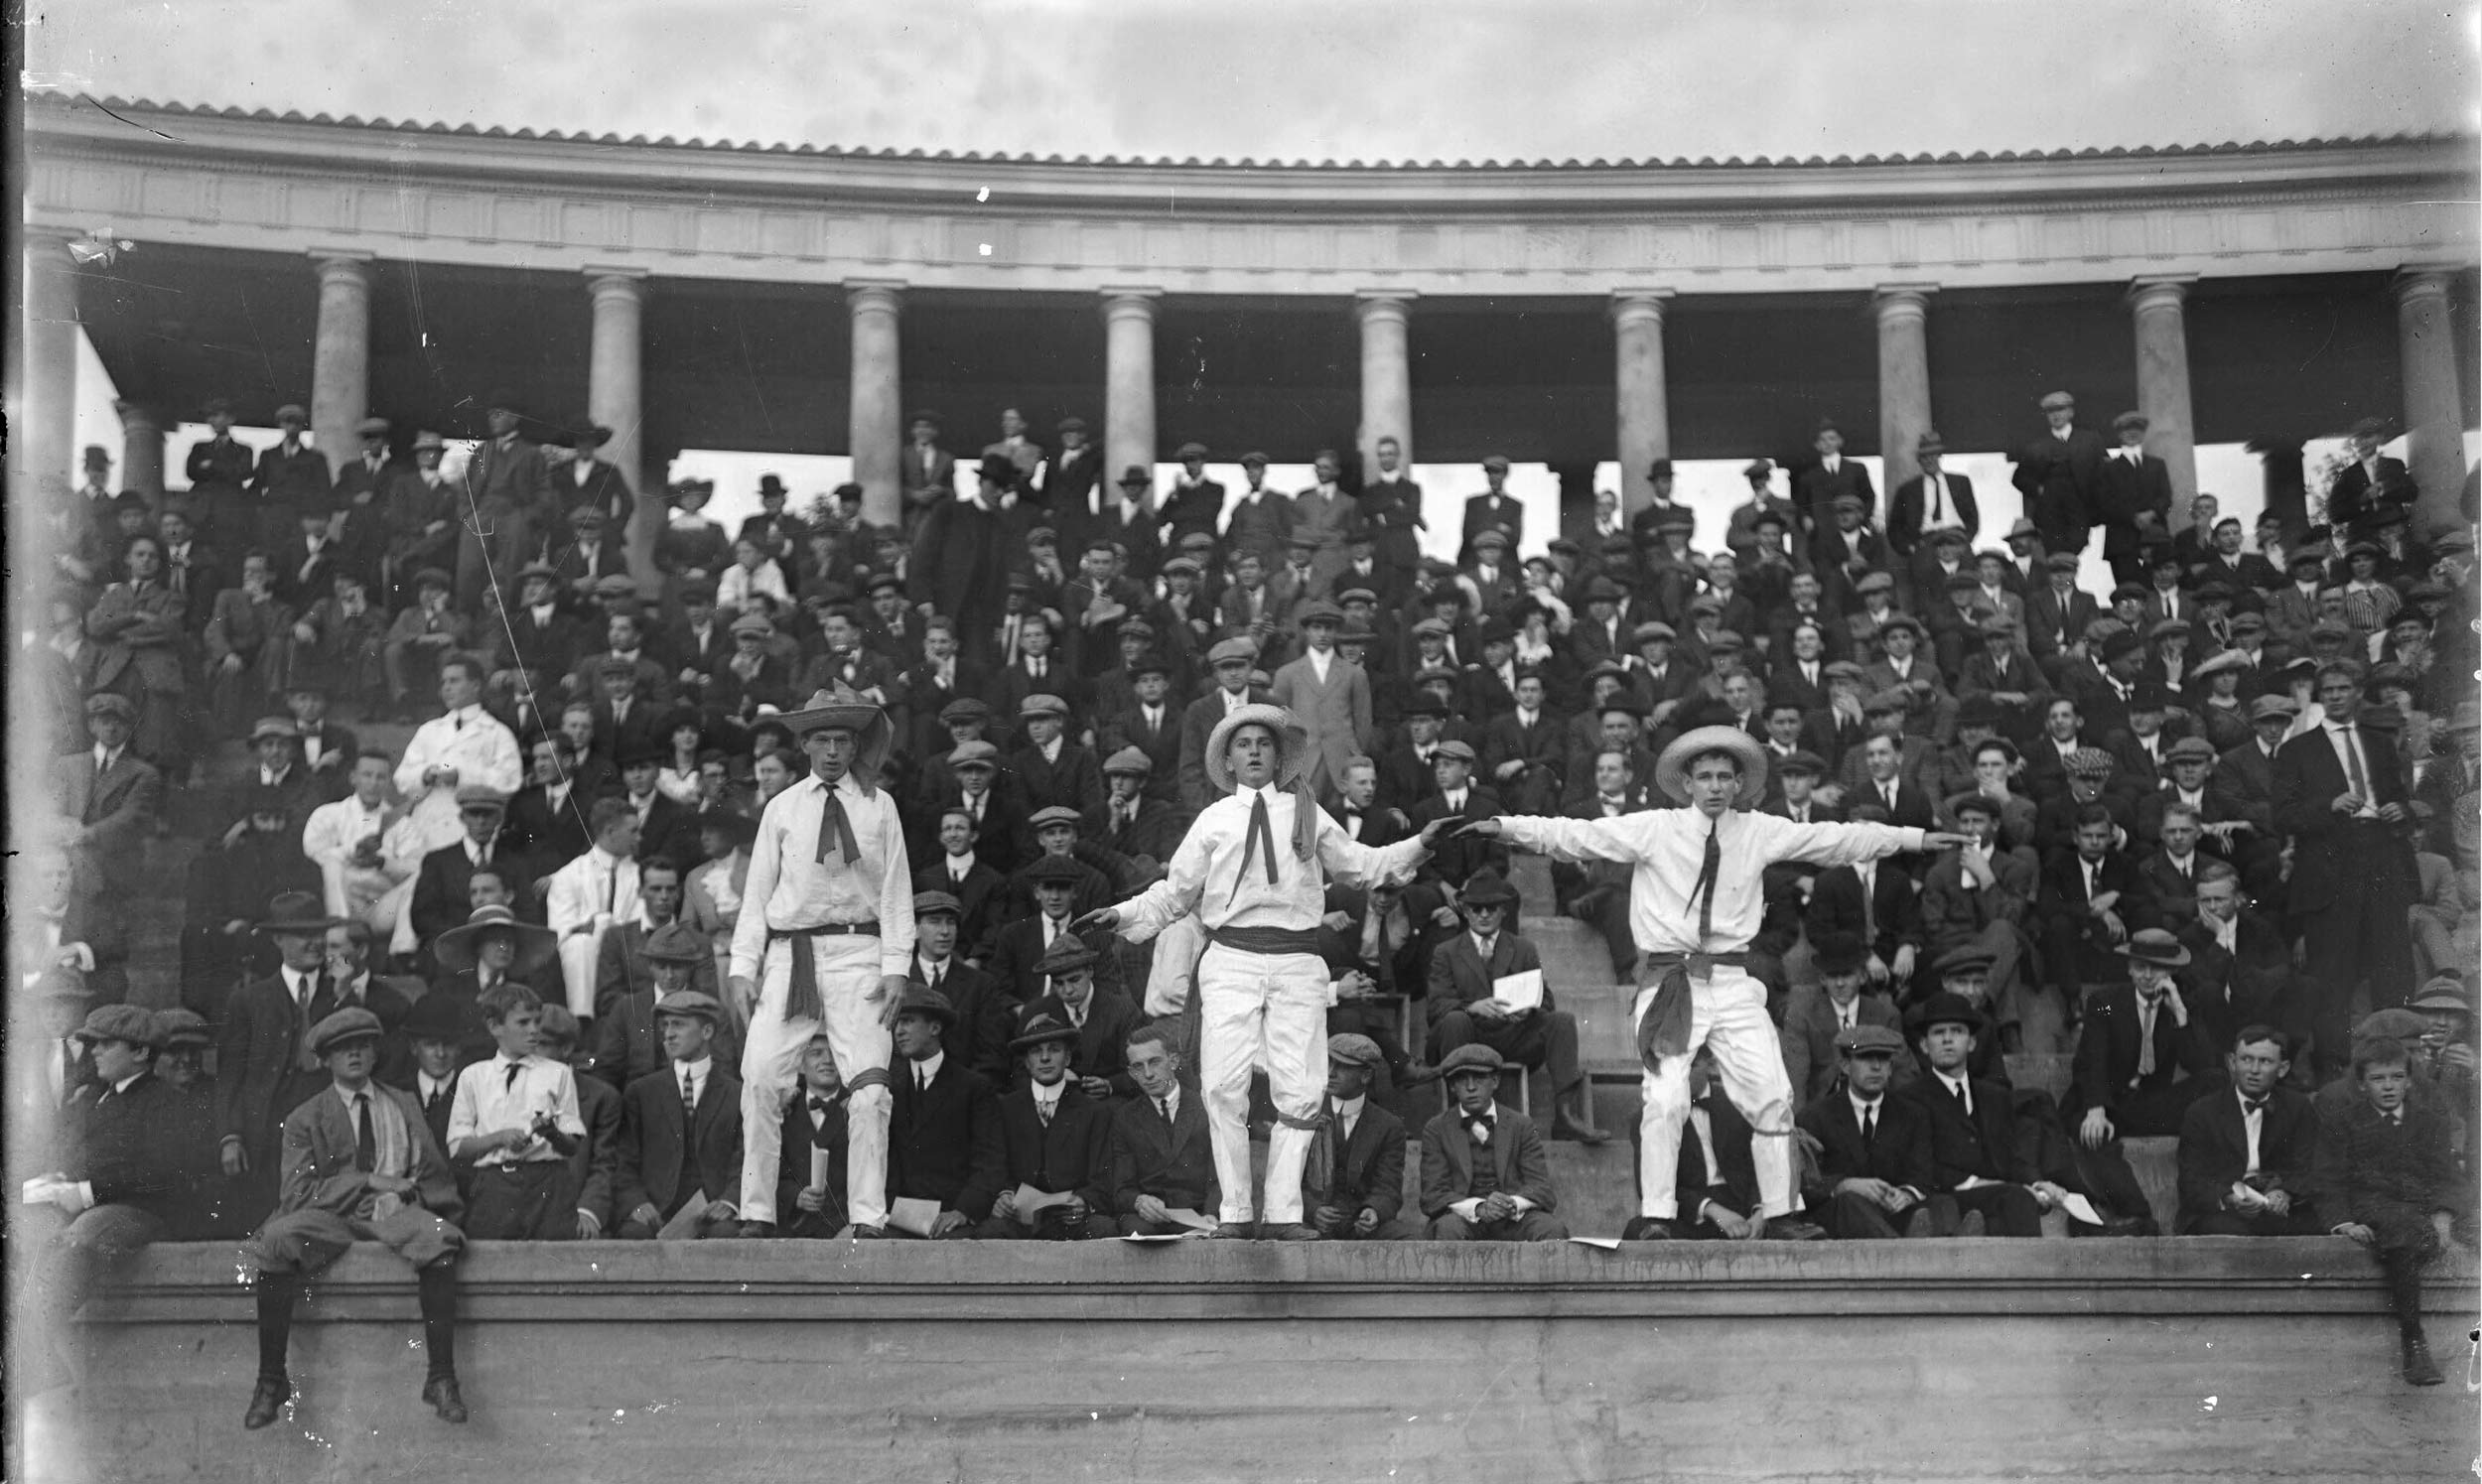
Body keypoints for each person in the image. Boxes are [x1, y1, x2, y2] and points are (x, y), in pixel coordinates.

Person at [1460, 726, 1961, 1238]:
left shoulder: (1760, 830)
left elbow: (1834, 839)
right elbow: (1576, 834)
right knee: (1668, 1097)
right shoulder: (1658, 828)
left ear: (1740, 783)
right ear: (1688, 783)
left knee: (1772, 1093)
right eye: (1705, 777)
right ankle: (1657, 1215)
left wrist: (1913, 839)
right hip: (1672, 981)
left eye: (1726, 776)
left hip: (1732, 980)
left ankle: (1783, 1212)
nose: (1716, 786)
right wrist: (1503, 826)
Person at [1077, 704, 1448, 1239]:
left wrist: (1421, 844)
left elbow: (1363, 867)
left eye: (1264, 743)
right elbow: (1175, 893)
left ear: (1279, 756)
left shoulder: (1308, 813)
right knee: (1223, 1087)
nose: (1254, 751)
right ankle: (1235, 1214)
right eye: (1243, 743)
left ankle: (1282, 1215)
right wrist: (1123, 914)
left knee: (1301, 1088)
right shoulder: (1215, 820)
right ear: (1227, 759)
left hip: (1298, 959)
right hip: (1231, 959)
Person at [728, 687, 915, 1238]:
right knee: (760, 1077)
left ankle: (867, 1217)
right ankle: (757, 1212)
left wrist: (898, 964)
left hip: (861, 955)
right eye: (822, 739)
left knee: (872, 1089)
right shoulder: (782, 808)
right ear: (805, 744)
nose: (833, 751)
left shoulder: (879, 805)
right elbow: (758, 891)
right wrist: (743, 965)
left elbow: (896, 890)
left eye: (843, 740)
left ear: (856, 744)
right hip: (793, 956)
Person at [239, 1009, 470, 1428]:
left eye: (363, 1045)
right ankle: (271, 1379)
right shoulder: (305, 1117)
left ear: (375, 1052)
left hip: (394, 1211)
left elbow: (432, 1170)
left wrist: (416, 1197)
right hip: (331, 1216)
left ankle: (441, 1377)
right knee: (277, 1240)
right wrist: (367, 1181)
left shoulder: (401, 1103)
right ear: (326, 1060)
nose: (355, 1054)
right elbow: (297, 1194)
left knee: (439, 1238)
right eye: (343, 1049)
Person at [23, 1005, 193, 1392]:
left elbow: (159, 1175)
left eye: (105, 1043)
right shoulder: (99, 1099)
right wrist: (59, 1179)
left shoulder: (164, 1101)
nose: (94, 1051)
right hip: (96, 1208)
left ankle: (35, 1355)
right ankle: (43, 1362)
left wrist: (86, 1191)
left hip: (143, 1213)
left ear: (140, 1052)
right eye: (92, 1043)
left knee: (83, 1236)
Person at [2274, 662, 2419, 1073]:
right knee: (2331, 975)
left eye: (2344, 688)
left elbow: (2402, 803)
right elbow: (2282, 816)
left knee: (2392, 967)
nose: (2336, 695)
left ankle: (2397, 1061)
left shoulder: (2379, 743)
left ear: (2358, 692)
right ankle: (2332, 1065)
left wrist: (2399, 811)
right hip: (2329, 864)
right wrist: (2329, 806)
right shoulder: (2297, 750)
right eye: (2328, 690)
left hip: (2381, 859)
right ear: (2320, 696)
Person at [2322, 1037, 2472, 1387]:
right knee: (2404, 1236)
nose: (2388, 1086)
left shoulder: (2428, 1120)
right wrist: (2343, 1222)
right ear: (2362, 1084)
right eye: (2377, 1079)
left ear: (2408, 1080)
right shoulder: (2345, 1122)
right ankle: (2413, 1339)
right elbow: (2328, 1177)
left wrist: (2444, 1215)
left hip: (2424, 1207)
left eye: (2395, 1077)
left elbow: (2449, 1176)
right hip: (2375, 1208)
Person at [1423, 868, 1605, 1141]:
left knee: (1561, 1022)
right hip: (1466, 1035)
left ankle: (1565, 1116)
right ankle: (1460, 1116)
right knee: (1454, 1020)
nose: (1483, 914)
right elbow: (1435, 1007)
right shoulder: (1446, 951)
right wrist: (1473, 1006)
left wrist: (1528, 1008)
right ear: (1465, 910)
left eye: (1491, 908)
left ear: (1503, 911)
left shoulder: (1523, 949)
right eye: (1476, 908)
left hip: (1510, 1035)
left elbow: (1547, 1001)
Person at [1900, 993, 2069, 1236]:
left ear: (1972, 1043)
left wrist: (2035, 1182)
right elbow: (1921, 1165)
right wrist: (1978, 1183)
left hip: (1997, 1195)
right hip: (1946, 1198)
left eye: (1957, 1031)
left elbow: (2011, 1155)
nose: (1948, 1039)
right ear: (1925, 1046)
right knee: (2015, 1198)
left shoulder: (1993, 1095)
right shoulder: (1909, 1098)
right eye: (1938, 1033)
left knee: (2014, 1206)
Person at [446, 983, 585, 1239]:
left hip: (548, 1185)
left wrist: (551, 1133)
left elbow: (572, 1145)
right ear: (494, 1027)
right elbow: (458, 1147)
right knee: (494, 1262)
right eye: (523, 1023)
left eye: (536, 1021)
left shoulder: (558, 1074)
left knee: (552, 1261)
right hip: (495, 1185)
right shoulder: (474, 1076)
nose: (534, 1030)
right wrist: (499, 1138)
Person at [974, 1002, 1117, 1239]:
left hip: (1071, 1218)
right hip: (1021, 1219)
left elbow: (1103, 1176)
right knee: (991, 1232)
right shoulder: (1006, 1108)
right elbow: (994, 1166)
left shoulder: (1094, 1111)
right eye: (1036, 1051)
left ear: (1068, 1058)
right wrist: (1003, 1196)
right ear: (1027, 1062)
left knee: (1103, 1229)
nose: (1045, 1058)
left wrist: (1085, 1202)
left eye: (1054, 1049)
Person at [614, 990, 745, 1239]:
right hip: (656, 1210)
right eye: (665, 1026)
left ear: (707, 1032)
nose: (669, 1034)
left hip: (713, 1211)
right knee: (633, 1235)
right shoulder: (642, 1092)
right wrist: (636, 1202)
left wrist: (729, 1201)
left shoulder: (736, 1094)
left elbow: (745, 1159)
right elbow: (623, 1160)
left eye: (679, 1025)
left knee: (725, 1236)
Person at [1796, 1023, 1944, 1239]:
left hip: (1893, 1211)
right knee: (1849, 1202)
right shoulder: (1815, 1116)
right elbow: (1806, 1185)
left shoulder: (1912, 1115)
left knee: (1942, 1202)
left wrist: (1908, 1193)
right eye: (1865, 1058)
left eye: (1883, 1059)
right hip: (1841, 1217)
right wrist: (1844, 1185)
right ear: (1845, 1066)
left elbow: (1923, 1173)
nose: (1876, 1067)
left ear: (1891, 1068)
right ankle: (1902, 1253)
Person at [2175, 1025, 2321, 1235]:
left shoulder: (2298, 1108)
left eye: (2265, 1061)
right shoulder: (2202, 1112)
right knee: (2228, 1231)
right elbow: (2192, 1180)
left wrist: (2284, 1193)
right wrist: (2229, 1198)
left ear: (2283, 1068)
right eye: (2246, 1059)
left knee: (2309, 1228)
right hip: (2221, 1213)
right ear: (2232, 1062)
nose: (2254, 1070)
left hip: (2277, 1209)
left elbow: (2308, 1165)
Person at [882, 985, 1003, 1238]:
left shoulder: (973, 1087)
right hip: (898, 1219)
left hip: (953, 1219)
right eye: (896, 1023)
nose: (899, 1031)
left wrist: (962, 1211)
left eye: (908, 1021)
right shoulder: (889, 1087)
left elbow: (990, 1161)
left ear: (935, 1028)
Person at [1418, 1044, 1567, 1241]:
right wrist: (1479, 1208)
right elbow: (1433, 1195)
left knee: (1551, 1229)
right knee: (1448, 1228)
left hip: (1512, 1219)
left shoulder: (1521, 1125)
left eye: (1479, 1078)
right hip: (1464, 1220)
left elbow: (1541, 1187)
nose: (1471, 1087)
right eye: (1462, 1080)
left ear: (1495, 1081)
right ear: (1452, 1087)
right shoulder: (1437, 1128)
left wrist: (1511, 1204)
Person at [1302, 1033, 1419, 1241]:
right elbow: (1288, 1178)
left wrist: (1374, 1212)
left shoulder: (1388, 1126)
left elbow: (1388, 1187)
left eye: (1342, 1067)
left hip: (1359, 1224)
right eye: (1328, 1063)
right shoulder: (1306, 1113)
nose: (1331, 1073)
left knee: (1409, 1239)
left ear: (1366, 1076)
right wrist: (1313, 1210)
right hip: (1309, 1220)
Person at [1107, 1023, 1218, 1235]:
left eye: (1155, 1062)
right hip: (1149, 1219)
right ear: (1131, 1073)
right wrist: (1139, 1201)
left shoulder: (1205, 1107)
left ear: (1174, 1061)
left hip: (1199, 1215)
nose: (1148, 1074)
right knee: (1135, 1232)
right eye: (1138, 1067)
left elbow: (1219, 1176)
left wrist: (1213, 1213)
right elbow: (1121, 1189)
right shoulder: (1126, 1117)